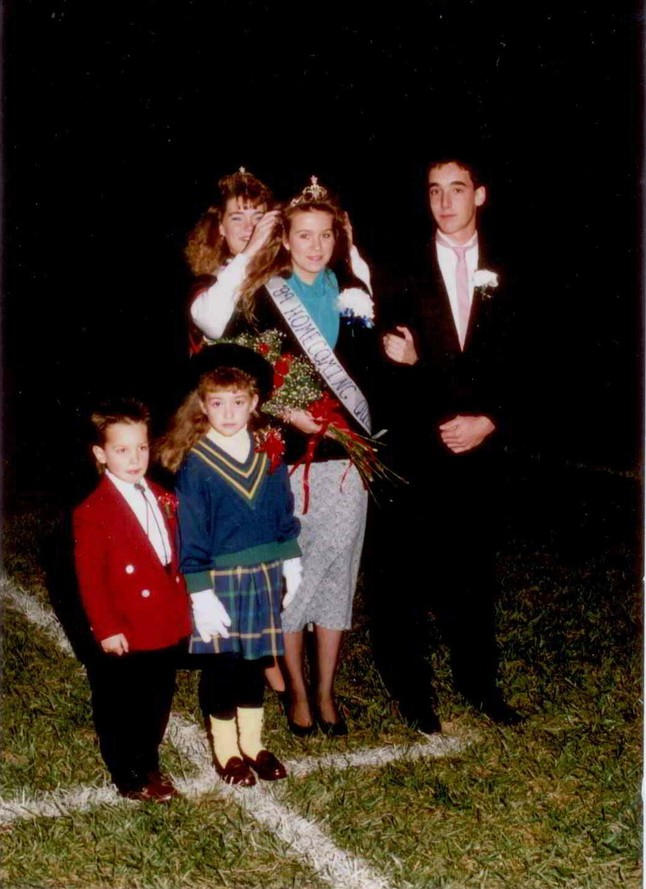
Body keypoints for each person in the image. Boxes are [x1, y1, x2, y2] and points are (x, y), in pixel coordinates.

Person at [213, 177, 378, 737]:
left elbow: (371, 370)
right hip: (289, 458)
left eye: (325, 235)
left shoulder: (353, 294)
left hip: (345, 458)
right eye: (304, 235)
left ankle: (326, 689)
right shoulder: (263, 297)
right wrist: (288, 411)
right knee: (294, 578)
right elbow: (241, 376)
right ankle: (298, 692)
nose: (315, 245)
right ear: (285, 240)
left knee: (338, 575)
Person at [374, 156, 523, 733]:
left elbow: (532, 358)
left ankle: (479, 683)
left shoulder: (509, 268)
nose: (444, 201)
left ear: (479, 195)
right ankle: (413, 692)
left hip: (482, 447)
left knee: (473, 572)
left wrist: (490, 420)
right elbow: (388, 366)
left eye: (456, 189)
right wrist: (416, 370)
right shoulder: (399, 269)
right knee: (407, 574)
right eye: (434, 190)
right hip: (420, 442)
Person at [158, 343, 302, 786]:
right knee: (223, 665)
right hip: (219, 580)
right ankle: (226, 750)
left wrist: (291, 561)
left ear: (254, 402)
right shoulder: (197, 463)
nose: (228, 413)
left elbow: (282, 509)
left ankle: (253, 744)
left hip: (263, 575)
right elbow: (192, 532)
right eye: (217, 403)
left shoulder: (269, 449)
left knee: (254, 661)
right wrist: (200, 593)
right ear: (203, 405)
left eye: (237, 402)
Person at [73, 398, 192, 802]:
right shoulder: (93, 511)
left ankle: (148, 759)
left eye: (141, 447)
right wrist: (106, 628)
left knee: (158, 697)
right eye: (122, 449)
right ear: (100, 454)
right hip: (126, 625)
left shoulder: (160, 495)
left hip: (163, 620)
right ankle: (129, 773)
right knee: (124, 702)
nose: (135, 458)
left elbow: (170, 559)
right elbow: (91, 580)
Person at [186, 167, 280, 354]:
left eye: (258, 218)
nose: (250, 227)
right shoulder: (208, 282)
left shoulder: (287, 275)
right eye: (237, 219)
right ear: (221, 228)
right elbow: (212, 325)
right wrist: (249, 252)